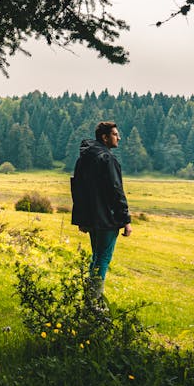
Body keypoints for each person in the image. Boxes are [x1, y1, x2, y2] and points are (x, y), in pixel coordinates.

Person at [70, 121, 132, 301]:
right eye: (115, 134)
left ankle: (90, 299)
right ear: (105, 137)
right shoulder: (107, 159)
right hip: (106, 219)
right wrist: (126, 220)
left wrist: (82, 219)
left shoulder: (84, 159)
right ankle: (93, 303)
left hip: (92, 218)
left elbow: (78, 189)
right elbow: (115, 190)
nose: (119, 137)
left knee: (96, 257)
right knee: (103, 259)